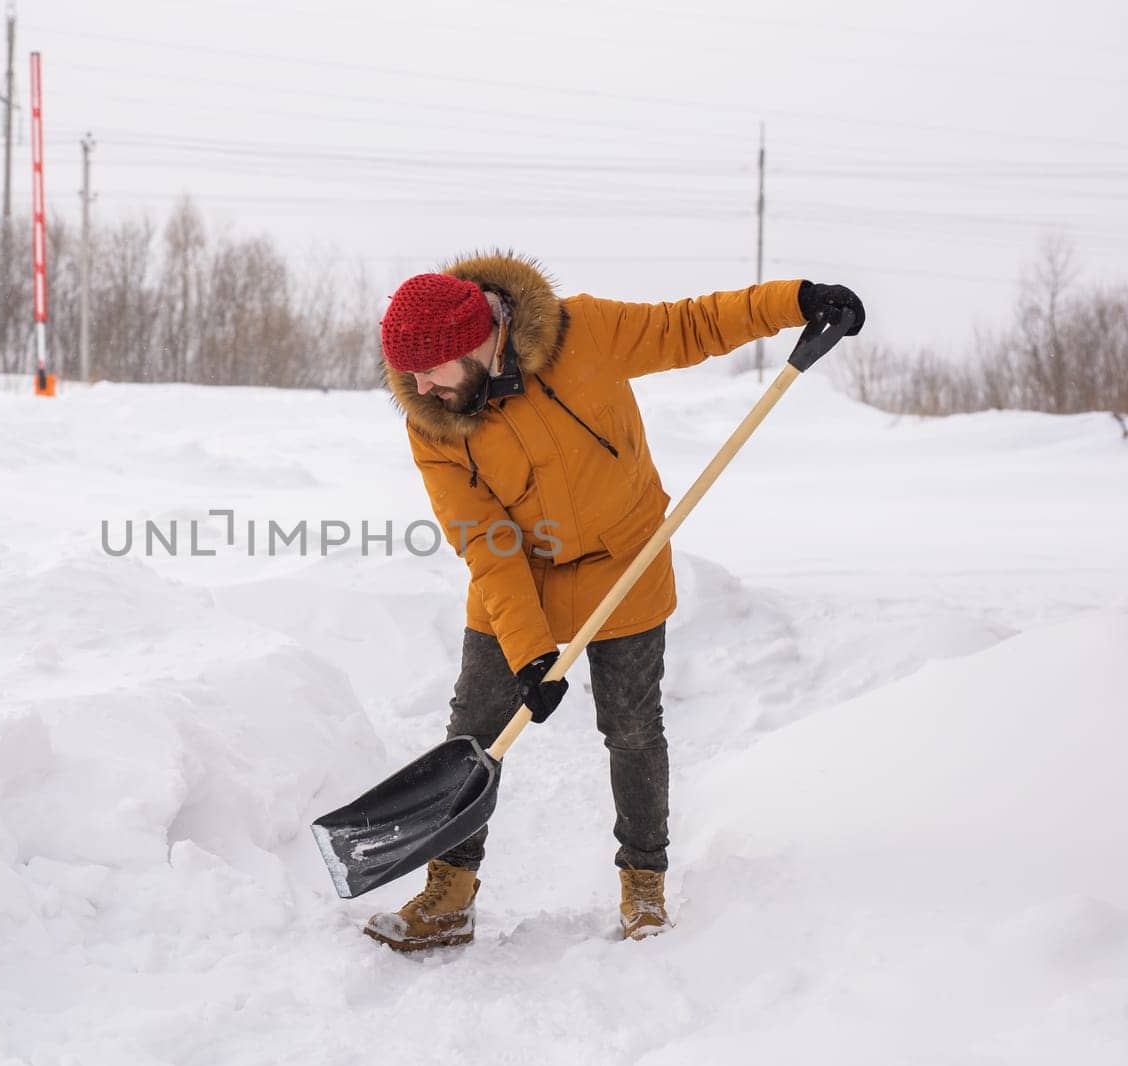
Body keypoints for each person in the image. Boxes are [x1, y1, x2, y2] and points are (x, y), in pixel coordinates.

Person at [364, 252, 863, 951]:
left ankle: (644, 886)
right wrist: (531, 651)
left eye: (429, 368)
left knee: (632, 729)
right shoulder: (435, 420)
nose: (418, 386)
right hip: (521, 579)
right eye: (409, 374)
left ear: (476, 342)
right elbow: (486, 542)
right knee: (474, 731)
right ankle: (449, 892)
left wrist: (794, 299)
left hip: (623, 565)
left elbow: (690, 326)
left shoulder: (584, 332)